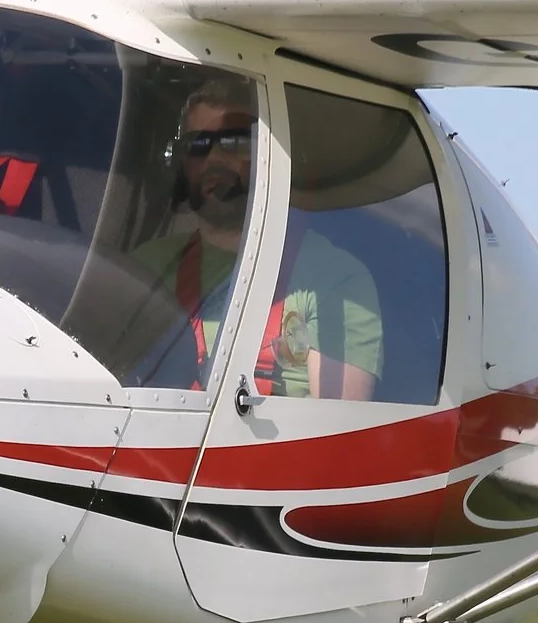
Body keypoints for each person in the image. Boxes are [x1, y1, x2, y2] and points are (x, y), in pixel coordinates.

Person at [129, 88, 383, 400]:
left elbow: (337, 435)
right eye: (197, 146)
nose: (213, 159)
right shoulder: (142, 269)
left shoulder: (336, 278)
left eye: (234, 143)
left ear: (269, 155)